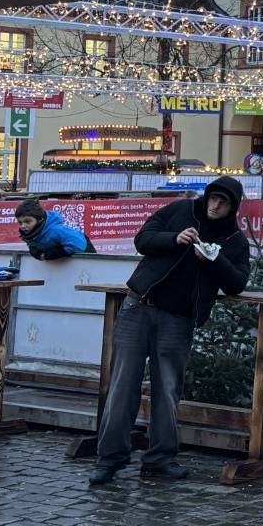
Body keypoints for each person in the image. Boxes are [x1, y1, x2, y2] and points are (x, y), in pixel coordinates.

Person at [89, 178, 251, 485]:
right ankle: (110, 458)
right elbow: (143, 239)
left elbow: (237, 282)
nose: (216, 205)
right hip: (139, 305)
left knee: (168, 390)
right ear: (207, 197)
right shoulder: (181, 210)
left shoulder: (234, 240)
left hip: (178, 318)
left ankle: (160, 459)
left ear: (233, 208)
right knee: (123, 385)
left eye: (224, 202)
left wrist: (214, 262)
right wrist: (174, 238)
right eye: (214, 198)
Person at [14, 199, 92, 260]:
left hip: (85, 249)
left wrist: (54, 253)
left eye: (27, 221)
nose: (23, 226)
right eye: (20, 222)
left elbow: (78, 245)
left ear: (39, 220)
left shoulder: (56, 230)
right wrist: (34, 249)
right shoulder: (31, 234)